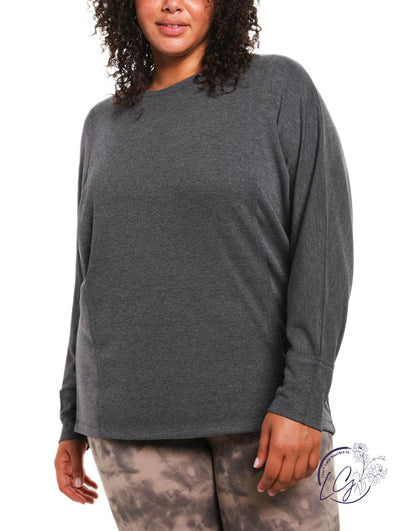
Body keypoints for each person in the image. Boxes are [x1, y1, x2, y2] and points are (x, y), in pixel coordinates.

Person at [54, 0, 353, 529]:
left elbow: (323, 242)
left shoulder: (279, 88)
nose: (173, 3)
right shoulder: (102, 124)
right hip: (127, 422)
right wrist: (71, 417)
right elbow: (90, 274)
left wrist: (305, 397)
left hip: (267, 417)